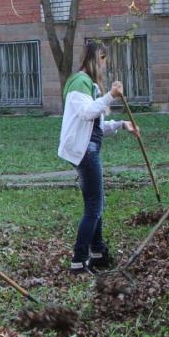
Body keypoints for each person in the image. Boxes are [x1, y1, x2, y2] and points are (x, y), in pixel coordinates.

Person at [58, 40, 138, 275]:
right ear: (97, 58)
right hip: (84, 152)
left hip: (89, 148)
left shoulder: (89, 85)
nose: (104, 67)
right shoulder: (79, 83)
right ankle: (79, 261)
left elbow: (98, 125)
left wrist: (123, 124)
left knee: (97, 202)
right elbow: (87, 113)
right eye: (103, 61)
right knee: (94, 206)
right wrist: (111, 96)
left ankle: (98, 252)